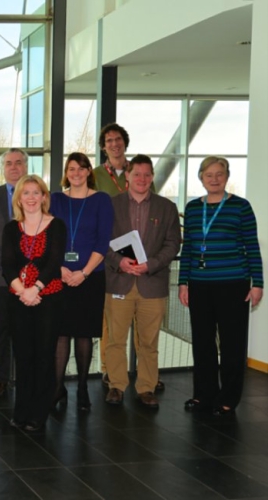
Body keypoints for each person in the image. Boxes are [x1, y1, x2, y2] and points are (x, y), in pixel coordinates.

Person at [178, 156, 263, 416]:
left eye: (220, 174)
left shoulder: (241, 207)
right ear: (201, 177)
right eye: (209, 174)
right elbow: (189, 249)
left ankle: (228, 397)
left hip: (233, 284)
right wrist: (183, 282)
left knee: (232, 344)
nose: (214, 179)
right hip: (199, 285)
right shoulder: (193, 208)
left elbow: (252, 247)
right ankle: (203, 395)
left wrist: (257, 283)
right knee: (202, 343)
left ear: (227, 177)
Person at [104, 155, 180, 408]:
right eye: (137, 174)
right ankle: (116, 385)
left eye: (147, 174)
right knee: (115, 340)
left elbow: (173, 244)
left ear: (152, 178)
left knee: (149, 341)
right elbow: (100, 240)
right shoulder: (110, 205)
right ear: (127, 175)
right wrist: (119, 261)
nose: (142, 179)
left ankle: (146, 387)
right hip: (119, 281)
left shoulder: (166, 208)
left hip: (153, 283)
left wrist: (152, 264)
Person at [93, 123, 163, 392]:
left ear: (125, 143)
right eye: (109, 140)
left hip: (143, 251)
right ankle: (110, 372)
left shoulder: (139, 171)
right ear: (103, 146)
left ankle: (146, 376)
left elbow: (152, 201)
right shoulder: (97, 174)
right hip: (111, 252)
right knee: (112, 323)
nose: (114, 144)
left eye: (118, 139)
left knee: (144, 327)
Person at [50, 153, 114, 412]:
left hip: (91, 276)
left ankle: (84, 386)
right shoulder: (55, 199)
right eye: (71, 168)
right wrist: (61, 269)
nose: (76, 173)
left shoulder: (101, 200)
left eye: (81, 168)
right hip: (61, 275)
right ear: (66, 172)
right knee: (61, 334)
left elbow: (103, 240)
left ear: (89, 171)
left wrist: (84, 272)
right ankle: (57, 387)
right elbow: (49, 237)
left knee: (84, 334)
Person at [1, 174, 65, 431]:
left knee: (44, 356)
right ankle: (22, 410)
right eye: (25, 193)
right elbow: (7, 265)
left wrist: (35, 289)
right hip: (19, 300)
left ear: (44, 197)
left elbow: (53, 262)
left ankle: (39, 412)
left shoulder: (56, 225)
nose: (30, 197)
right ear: (18, 198)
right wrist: (22, 291)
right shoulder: (10, 228)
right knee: (23, 356)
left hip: (48, 298)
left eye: (35, 192)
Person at [0, 148, 28, 399]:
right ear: (4, 168)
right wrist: (9, 269)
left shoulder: (36, 194)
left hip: (32, 279)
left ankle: (25, 376)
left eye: (18, 163)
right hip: (0, 276)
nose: (13, 167)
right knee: (1, 328)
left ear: (25, 166)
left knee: (26, 329)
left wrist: (29, 270)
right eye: (9, 163)